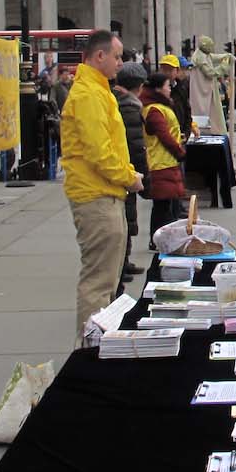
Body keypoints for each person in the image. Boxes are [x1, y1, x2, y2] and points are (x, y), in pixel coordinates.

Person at [60, 30, 144, 341]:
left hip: (106, 192)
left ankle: (99, 345)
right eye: (117, 57)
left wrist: (126, 174)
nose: (121, 63)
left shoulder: (98, 91)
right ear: (100, 56)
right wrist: (129, 177)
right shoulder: (88, 95)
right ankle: (90, 350)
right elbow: (99, 152)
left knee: (108, 280)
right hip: (96, 195)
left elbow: (111, 147)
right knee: (99, 282)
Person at [139, 72, 189, 270]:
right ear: (159, 88)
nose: (170, 89)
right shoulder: (155, 110)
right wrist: (179, 151)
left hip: (164, 161)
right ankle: (159, 239)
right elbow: (164, 135)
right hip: (161, 162)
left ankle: (160, 239)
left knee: (165, 205)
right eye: (168, 86)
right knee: (163, 206)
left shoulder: (156, 107)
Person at [113, 63, 149, 281]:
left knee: (127, 219)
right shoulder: (129, 107)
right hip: (126, 172)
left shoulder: (118, 101)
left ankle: (124, 262)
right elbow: (135, 145)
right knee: (125, 219)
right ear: (140, 86)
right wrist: (144, 176)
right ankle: (121, 265)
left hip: (121, 170)